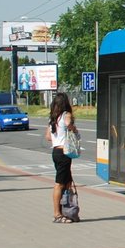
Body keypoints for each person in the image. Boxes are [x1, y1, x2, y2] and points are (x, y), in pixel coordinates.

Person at [46, 92, 79, 222]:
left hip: (56, 152)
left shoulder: (53, 118)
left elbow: (48, 136)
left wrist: (58, 136)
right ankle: (57, 214)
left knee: (67, 182)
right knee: (59, 184)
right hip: (64, 153)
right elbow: (69, 124)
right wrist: (73, 129)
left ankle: (66, 210)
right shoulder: (66, 115)